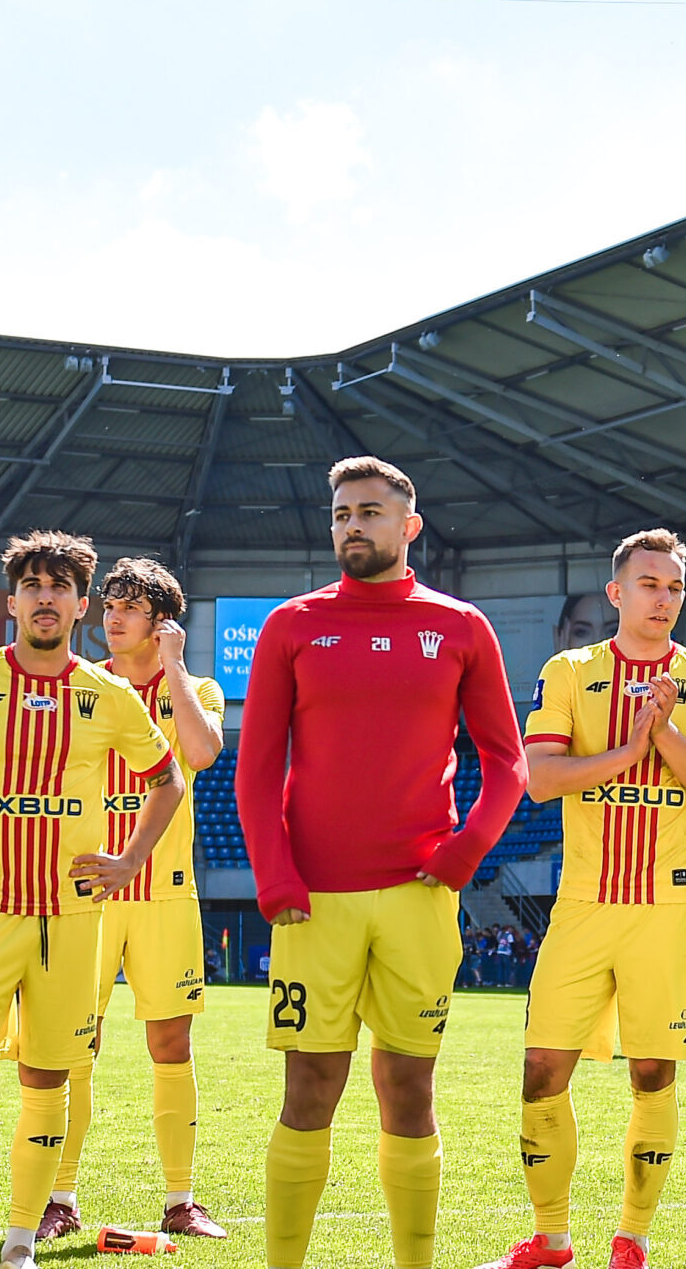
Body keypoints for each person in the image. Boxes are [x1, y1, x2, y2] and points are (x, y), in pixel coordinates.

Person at [237, 456, 528, 1269]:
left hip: (419, 896)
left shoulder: (461, 626)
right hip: (313, 902)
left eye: (369, 512)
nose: (352, 526)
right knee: (309, 1088)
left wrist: (466, 850)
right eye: (341, 514)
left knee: (409, 1090)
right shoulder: (291, 624)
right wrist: (273, 874)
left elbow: (508, 763)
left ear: (409, 525)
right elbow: (254, 771)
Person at [0, 531, 183, 1269]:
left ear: (81, 604)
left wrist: (129, 860)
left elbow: (168, 780)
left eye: (60, 587)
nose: (46, 598)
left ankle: (20, 1244)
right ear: (12, 602)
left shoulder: (107, 695)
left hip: (71, 923)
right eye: (32, 586)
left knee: (46, 1080)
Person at [474, 528, 686, 1269]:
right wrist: (629, 750)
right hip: (584, 905)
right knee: (541, 1069)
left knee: (653, 1073)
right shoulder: (569, 670)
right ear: (617, 593)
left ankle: (633, 1238)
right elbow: (540, 779)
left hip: (667, 909)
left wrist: (665, 735)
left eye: (675, 587)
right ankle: (551, 1239)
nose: (664, 598)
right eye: (649, 584)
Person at [41, 555, 230, 1242]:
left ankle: (182, 1200)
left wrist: (174, 665)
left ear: (163, 622)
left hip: (165, 898)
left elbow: (202, 753)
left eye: (130, 608)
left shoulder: (197, 688)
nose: (112, 618)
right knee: (74, 1046)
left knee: (171, 1044)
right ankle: (59, 1198)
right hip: (88, 896)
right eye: (110, 605)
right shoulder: (83, 687)